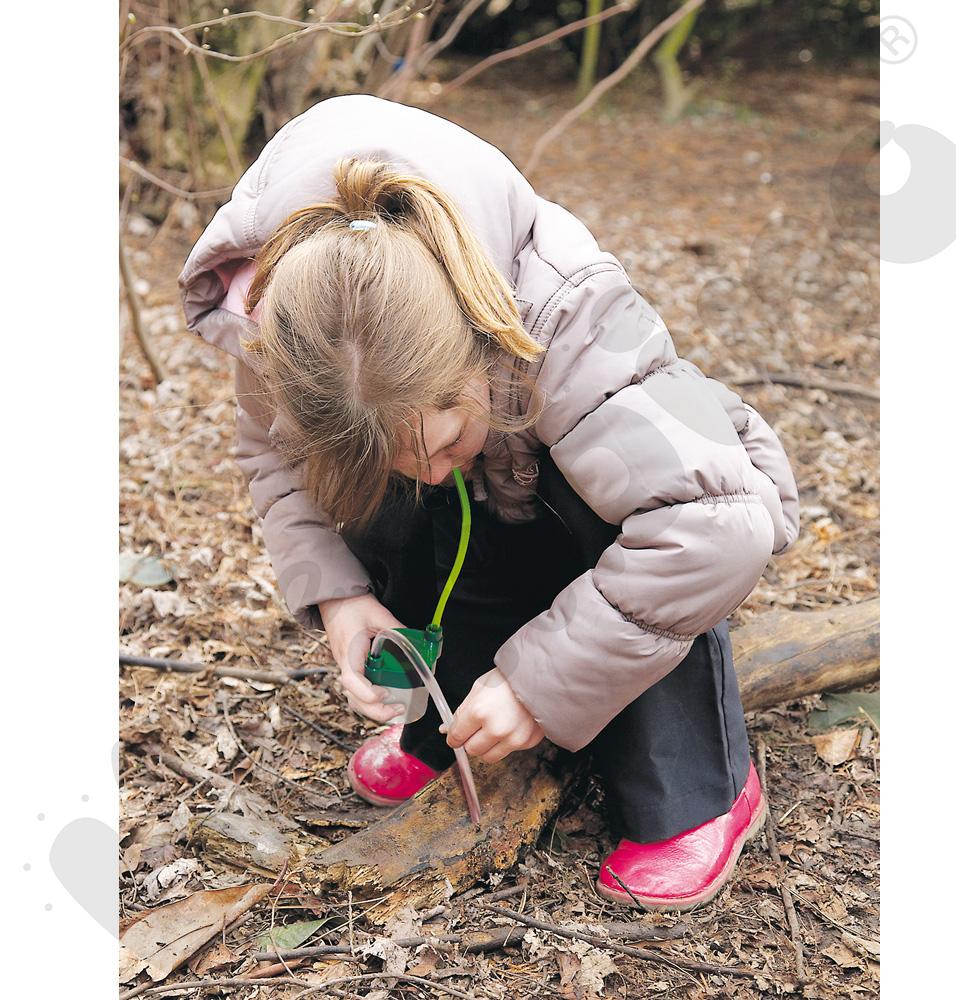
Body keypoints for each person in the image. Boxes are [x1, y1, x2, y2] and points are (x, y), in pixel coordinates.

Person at [179, 94, 800, 911]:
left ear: (480, 350)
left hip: (605, 512)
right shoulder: (291, 320)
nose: (430, 474)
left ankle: (697, 787)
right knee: (379, 482)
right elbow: (273, 454)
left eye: (440, 439)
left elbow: (712, 528)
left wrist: (540, 686)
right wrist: (341, 594)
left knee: (627, 522)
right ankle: (447, 718)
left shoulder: (566, 310)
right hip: (492, 485)